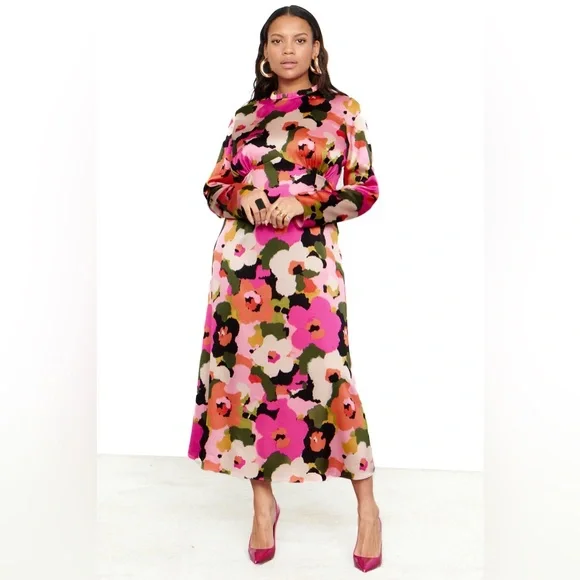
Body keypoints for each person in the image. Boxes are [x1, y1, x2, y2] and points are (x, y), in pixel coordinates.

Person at [188, 4, 382, 573]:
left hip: (308, 266)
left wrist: (306, 202)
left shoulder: (342, 110)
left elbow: (365, 190)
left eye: (300, 40)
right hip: (242, 264)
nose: (288, 50)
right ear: (265, 51)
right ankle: (263, 504)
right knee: (247, 381)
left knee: (329, 376)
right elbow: (214, 185)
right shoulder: (246, 116)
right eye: (277, 40)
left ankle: (368, 509)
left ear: (316, 49)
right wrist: (239, 194)